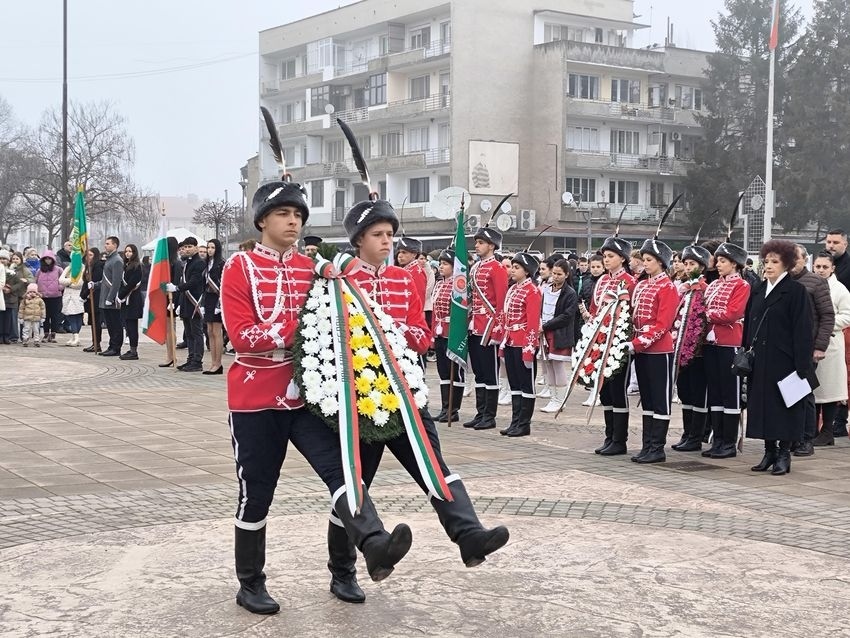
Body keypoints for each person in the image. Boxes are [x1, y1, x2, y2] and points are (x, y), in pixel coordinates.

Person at [221, 176, 413, 615]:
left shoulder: (312, 267)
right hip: (256, 398)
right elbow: (244, 336)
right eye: (283, 214)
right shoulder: (240, 267)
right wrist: (301, 330)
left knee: (345, 474)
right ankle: (250, 582)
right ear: (262, 220)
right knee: (257, 492)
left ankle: (366, 551)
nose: (293, 222)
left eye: (298, 215)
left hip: (310, 396)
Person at [328, 190, 509, 603]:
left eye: (390, 233)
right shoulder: (339, 279)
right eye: (378, 234)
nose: (387, 241)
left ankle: (469, 536)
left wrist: (402, 334)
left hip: (405, 394)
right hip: (363, 401)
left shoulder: (404, 279)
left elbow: (421, 331)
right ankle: (344, 571)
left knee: (433, 466)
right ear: (358, 239)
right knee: (355, 487)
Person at [744, 240, 814, 476]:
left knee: (784, 407)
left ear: (787, 264)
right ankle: (769, 451)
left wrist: (802, 365)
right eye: (766, 262)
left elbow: (803, 329)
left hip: (785, 360)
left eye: (775, 262)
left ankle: (784, 453)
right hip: (760, 360)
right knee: (762, 406)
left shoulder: (795, 291)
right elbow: (749, 325)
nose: (769, 266)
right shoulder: (758, 290)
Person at [628, 238, 679, 463]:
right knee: (646, 398)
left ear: (661, 262)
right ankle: (647, 445)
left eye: (649, 260)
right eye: (644, 260)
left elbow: (663, 324)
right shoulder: (641, 285)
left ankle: (657, 447)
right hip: (641, 348)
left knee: (660, 399)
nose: (645, 264)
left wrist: (639, 342)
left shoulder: (667, 287)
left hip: (659, 350)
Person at [701, 239, 750, 458]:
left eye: (723, 261)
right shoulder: (713, 285)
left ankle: (729, 442)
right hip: (711, 343)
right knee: (716, 392)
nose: (718, 264)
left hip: (730, 342)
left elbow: (733, 313)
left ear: (735, 264)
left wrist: (708, 316)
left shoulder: (742, 285)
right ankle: (718, 439)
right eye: (718, 260)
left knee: (730, 393)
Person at [790, 244, 834, 456]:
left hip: (807, 348)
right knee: (787, 393)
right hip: (785, 348)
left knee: (804, 393)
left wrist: (819, 346)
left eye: (795, 258)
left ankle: (806, 438)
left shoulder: (816, 282)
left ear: (804, 260)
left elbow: (827, 316)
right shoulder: (783, 281)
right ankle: (790, 435)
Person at [464, 225, 509, 431]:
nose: (477, 246)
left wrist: (498, 329)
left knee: (490, 372)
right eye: (477, 242)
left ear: (492, 246)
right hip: (475, 325)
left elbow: (501, 301)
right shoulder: (475, 268)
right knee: (479, 372)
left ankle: (489, 416)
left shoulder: (497, 268)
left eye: (481, 243)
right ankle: (480, 412)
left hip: (489, 326)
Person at [670, 243, 712, 452]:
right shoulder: (684, 290)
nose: (687, 267)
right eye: (685, 264)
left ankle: (697, 435)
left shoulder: (705, 290)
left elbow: (705, 319)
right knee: (685, 392)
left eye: (692, 264)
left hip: (699, 351)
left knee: (698, 393)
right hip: (681, 348)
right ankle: (687, 433)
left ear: (702, 267)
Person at [498, 251, 542, 436]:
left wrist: (529, 347)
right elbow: (505, 315)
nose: (512, 271)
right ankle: (515, 421)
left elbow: (533, 322)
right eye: (512, 267)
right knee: (514, 383)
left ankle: (524, 424)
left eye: (517, 268)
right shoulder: (513, 289)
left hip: (524, 341)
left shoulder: (532, 291)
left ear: (527, 271)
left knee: (526, 384)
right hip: (510, 340)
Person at [811, 252, 850, 447]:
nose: (820, 271)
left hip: (832, 345)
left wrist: (826, 323)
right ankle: (812, 429)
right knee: (814, 389)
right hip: (812, 344)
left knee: (829, 391)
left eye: (825, 267)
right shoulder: (809, 285)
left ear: (833, 268)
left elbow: (848, 315)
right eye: (818, 266)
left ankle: (827, 431)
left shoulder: (840, 290)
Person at [539, 259, 577, 413]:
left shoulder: (570, 293)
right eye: (554, 273)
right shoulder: (546, 288)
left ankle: (560, 400)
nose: (555, 276)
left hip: (559, 334)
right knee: (548, 365)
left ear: (566, 274)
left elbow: (567, 316)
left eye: (559, 274)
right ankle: (553, 398)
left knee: (558, 366)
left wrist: (546, 325)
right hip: (544, 332)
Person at [431, 248, 464, 423]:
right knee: (443, 371)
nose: (441, 266)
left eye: (445, 263)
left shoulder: (458, 284)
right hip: (439, 331)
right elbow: (436, 310)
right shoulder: (439, 284)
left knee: (454, 372)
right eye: (441, 263)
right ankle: (445, 408)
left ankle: (453, 409)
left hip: (452, 331)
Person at [824, 229, 850, 437]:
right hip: (825, 329)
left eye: (836, 242)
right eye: (829, 241)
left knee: (843, 376)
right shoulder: (822, 267)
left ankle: (840, 421)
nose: (831, 245)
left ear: (845, 245)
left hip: (844, 326)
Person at [168, 237, 205, 372]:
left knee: (196, 332)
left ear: (196, 247)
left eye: (190, 246)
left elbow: (194, 282)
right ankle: (190, 359)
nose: (187, 249)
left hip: (194, 301)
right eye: (186, 247)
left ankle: (197, 361)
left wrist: (177, 288)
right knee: (188, 333)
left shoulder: (199, 263)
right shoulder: (187, 262)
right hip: (186, 302)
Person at [97, 237, 125, 357]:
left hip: (111, 299)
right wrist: (95, 284)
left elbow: (116, 281)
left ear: (115, 245)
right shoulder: (110, 259)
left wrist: (110, 297)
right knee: (110, 324)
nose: (105, 246)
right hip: (105, 296)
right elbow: (105, 279)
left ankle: (116, 347)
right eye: (105, 244)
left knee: (115, 324)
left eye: (108, 244)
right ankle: (111, 345)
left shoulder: (117, 260)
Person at [117, 244, 144, 360]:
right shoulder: (126, 265)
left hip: (133, 299)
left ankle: (134, 351)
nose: (128, 253)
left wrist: (121, 295)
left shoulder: (137, 266)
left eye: (130, 251)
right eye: (126, 251)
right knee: (127, 324)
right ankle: (131, 349)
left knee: (132, 326)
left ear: (135, 253)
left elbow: (132, 283)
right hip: (125, 299)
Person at [202, 238, 224, 374]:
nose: (210, 250)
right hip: (208, 299)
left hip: (218, 299)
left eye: (212, 248)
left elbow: (223, 284)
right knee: (209, 331)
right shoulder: (207, 264)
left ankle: (218, 363)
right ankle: (213, 362)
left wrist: (220, 303)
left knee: (217, 332)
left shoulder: (221, 264)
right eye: (208, 247)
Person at [1, 251, 31, 344]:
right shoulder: (7, 269)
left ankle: (12, 336)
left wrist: (11, 288)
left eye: (4, 259)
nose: (2, 260)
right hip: (2, 296)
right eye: (1, 258)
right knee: (2, 318)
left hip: (13, 296)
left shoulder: (14, 271)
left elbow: (20, 282)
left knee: (12, 318)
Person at [35, 250, 63, 342]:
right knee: (45, 316)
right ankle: (46, 333)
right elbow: (35, 281)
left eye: (49, 259)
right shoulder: (39, 270)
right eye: (46, 259)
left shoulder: (58, 269)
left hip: (56, 296)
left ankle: (53, 333)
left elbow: (63, 280)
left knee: (55, 316)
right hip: (43, 296)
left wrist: (59, 287)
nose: (48, 260)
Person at [80, 248, 103, 352]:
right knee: (92, 322)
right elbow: (86, 282)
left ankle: (97, 343)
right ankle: (94, 342)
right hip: (89, 298)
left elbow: (95, 282)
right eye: (87, 255)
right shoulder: (88, 267)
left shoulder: (97, 266)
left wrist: (86, 294)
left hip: (96, 297)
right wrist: (83, 295)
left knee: (96, 321)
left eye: (90, 255)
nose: (88, 257)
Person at [58, 262, 85, 346]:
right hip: (68, 295)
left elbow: (79, 283)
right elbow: (61, 280)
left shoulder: (83, 268)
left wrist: (68, 283)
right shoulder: (68, 268)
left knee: (77, 315)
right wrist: (71, 281)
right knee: (70, 315)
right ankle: (74, 336)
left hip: (78, 295)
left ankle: (76, 337)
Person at [395, 236, 427, 307]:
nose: (400, 255)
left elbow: (419, 300)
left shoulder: (417, 272)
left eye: (404, 252)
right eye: (399, 252)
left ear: (414, 254)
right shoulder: (404, 270)